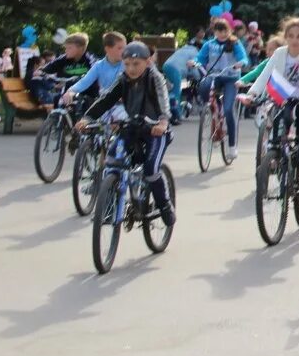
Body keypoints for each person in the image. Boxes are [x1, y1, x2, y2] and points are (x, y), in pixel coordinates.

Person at [75, 41, 175, 226]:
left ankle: (165, 205)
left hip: (155, 131)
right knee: (112, 161)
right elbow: (106, 100)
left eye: (136, 64)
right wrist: (87, 118)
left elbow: (163, 100)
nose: (131, 68)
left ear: (147, 62)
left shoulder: (155, 78)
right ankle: (110, 208)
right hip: (132, 128)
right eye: (127, 64)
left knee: (151, 169)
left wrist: (162, 121)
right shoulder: (123, 79)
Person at [240, 17, 299, 222]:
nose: (295, 40)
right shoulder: (280, 54)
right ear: (285, 37)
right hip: (284, 101)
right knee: (277, 138)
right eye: (291, 36)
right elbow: (265, 76)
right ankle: (278, 161)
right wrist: (251, 94)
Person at [195, 19, 249, 162]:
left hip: (231, 78)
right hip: (215, 76)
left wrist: (240, 63)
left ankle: (232, 146)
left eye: (225, 30)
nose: (222, 33)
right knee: (204, 86)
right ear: (214, 32)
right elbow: (200, 58)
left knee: (229, 108)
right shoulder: (209, 44)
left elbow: (244, 58)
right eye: (219, 31)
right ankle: (213, 109)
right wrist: (195, 62)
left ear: (229, 30)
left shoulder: (234, 43)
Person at [35, 33, 97, 111]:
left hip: (87, 94)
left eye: (69, 48)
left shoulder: (90, 59)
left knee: (84, 109)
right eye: (66, 48)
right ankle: (55, 121)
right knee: (57, 100)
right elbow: (50, 66)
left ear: (81, 48)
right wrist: (41, 71)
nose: (66, 50)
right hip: (67, 93)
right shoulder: (63, 59)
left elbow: (96, 71)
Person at [64, 32, 127, 108]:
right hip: (106, 107)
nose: (124, 51)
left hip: (127, 106)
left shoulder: (129, 64)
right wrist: (71, 91)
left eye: (125, 47)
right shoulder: (98, 66)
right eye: (120, 48)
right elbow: (85, 82)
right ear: (108, 49)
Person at [162, 37, 202, 124]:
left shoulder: (183, 49)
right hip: (176, 69)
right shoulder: (195, 52)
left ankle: (168, 110)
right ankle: (176, 114)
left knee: (172, 90)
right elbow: (194, 68)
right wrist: (198, 78)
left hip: (166, 65)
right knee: (176, 92)